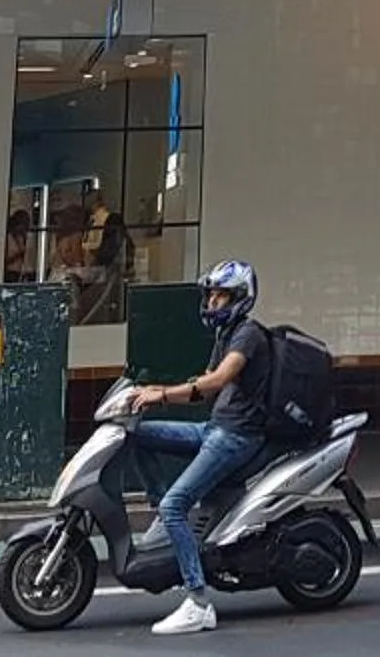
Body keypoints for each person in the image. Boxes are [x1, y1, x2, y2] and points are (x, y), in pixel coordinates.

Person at [123, 259, 272, 638]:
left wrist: (161, 394)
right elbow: (204, 386)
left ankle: (198, 602)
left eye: (221, 296)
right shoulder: (226, 335)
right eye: (211, 295)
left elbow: (219, 379)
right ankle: (165, 519)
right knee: (136, 435)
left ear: (240, 298)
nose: (212, 302)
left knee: (178, 505)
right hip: (213, 428)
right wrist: (152, 390)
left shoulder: (248, 335)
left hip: (236, 437)